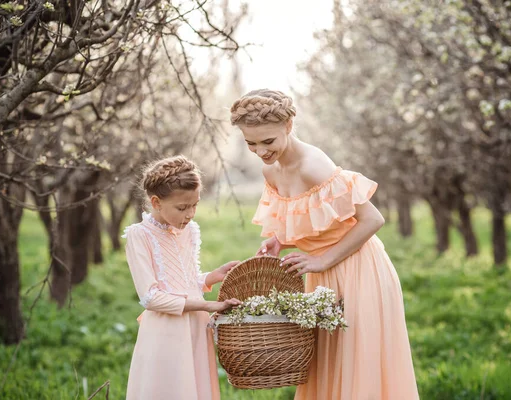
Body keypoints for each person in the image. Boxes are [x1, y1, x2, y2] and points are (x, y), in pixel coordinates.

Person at [230, 90, 420, 399]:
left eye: (268, 141)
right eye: (251, 143)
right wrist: (279, 240)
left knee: (358, 366)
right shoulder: (271, 171)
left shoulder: (313, 165)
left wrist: (323, 261)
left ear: (289, 126)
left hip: (359, 271)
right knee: (328, 365)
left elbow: (372, 220)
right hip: (322, 278)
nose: (261, 151)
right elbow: (315, 218)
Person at [122, 155, 241, 400]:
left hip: (196, 326)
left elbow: (185, 282)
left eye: (195, 205)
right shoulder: (139, 236)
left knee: (194, 389)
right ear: (156, 202)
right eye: (182, 208)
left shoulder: (189, 231)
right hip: (166, 330)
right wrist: (209, 305)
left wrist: (211, 277)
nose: (190, 214)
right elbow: (151, 297)